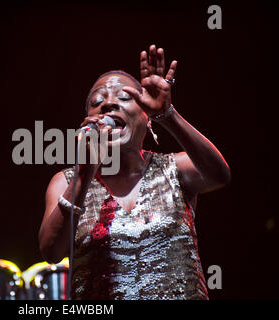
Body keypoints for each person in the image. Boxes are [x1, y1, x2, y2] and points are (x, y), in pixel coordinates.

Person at [38, 45, 231, 300]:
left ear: (146, 117)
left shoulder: (175, 168)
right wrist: (85, 173)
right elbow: (51, 252)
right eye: (97, 102)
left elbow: (220, 175)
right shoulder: (66, 182)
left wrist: (167, 114)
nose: (108, 103)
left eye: (125, 97)